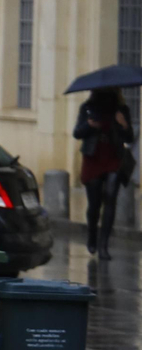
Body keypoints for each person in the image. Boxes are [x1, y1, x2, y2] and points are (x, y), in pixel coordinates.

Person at [73, 86, 135, 259]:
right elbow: (77, 133)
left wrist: (123, 124)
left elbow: (130, 137)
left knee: (110, 198)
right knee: (94, 205)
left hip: (113, 157)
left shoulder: (121, 110)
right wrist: (89, 125)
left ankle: (103, 245)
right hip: (93, 158)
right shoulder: (87, 108)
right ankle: (92, 234)